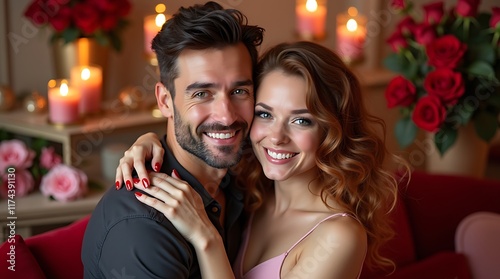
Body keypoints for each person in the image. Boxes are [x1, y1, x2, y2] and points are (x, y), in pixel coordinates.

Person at [116, 41, 409, 278]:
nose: (276, 136)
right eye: (265, 114)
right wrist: (150, 141)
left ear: (332, 130)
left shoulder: (339, 236)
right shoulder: (252, 189)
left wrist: (207, 239)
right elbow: (204, 134)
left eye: (302, 121)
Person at [81, 2, 264, 278]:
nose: (226, 116)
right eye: (202, 94)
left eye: (239, 90)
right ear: (165, 101)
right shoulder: (143, 229)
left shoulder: (246, 173)